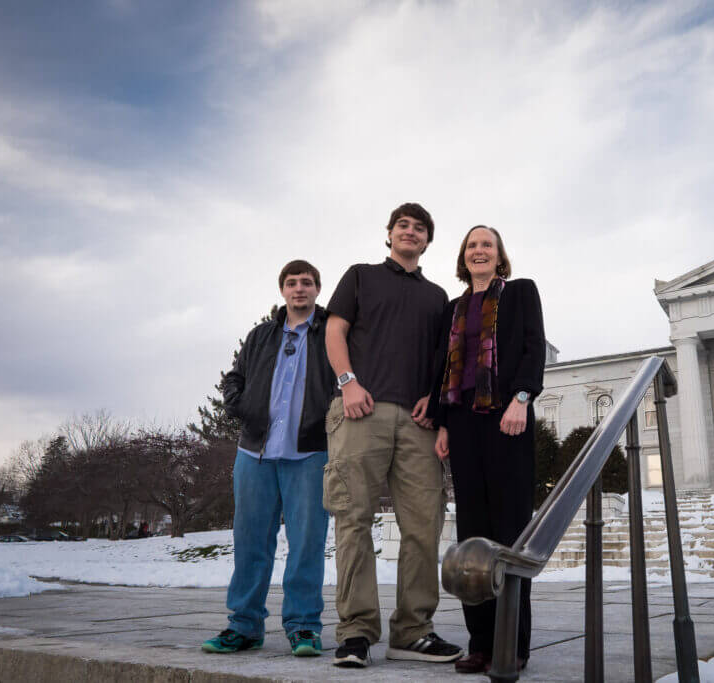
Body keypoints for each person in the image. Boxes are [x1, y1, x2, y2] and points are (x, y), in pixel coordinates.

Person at [324, 203, 463, 668]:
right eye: (402, 225)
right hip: (361, 410)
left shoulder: (438, 296)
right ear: (389, 235)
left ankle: (412, 630)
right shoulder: (361, 276)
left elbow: (445, 359)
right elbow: (335, 331)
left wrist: (434, 398)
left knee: (424, 526)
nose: (410, 232)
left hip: (418, 421)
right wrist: (348, 383)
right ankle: (357, 632)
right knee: (353, 521)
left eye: (419, 228)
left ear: (427, 241)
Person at [427, 225, 545, 674]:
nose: (479, 251)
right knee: (471, 538)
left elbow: (533, 347)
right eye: (472, 245)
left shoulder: (520, 292)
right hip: (462, 423)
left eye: (487, 245)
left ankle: (513, 643)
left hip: (506, 419)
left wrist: (521, 397)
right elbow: (443, 369)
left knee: (510, 533)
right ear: (464, 256)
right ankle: (480, 642)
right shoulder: (453, 308)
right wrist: (441, 424)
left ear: (499, 256)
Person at [202, 260, 334, 657]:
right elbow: (234, 377)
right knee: (251, 542)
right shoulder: (261, 335)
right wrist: (239, 406)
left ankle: (304, 627)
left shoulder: (332, 334)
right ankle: (244, 625)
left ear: (316, 289)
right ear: (282, 290)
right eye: (291, 283)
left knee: (307, 544)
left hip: (310, 452)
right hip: (254, 453)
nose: (299, 289)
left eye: (306, 283)